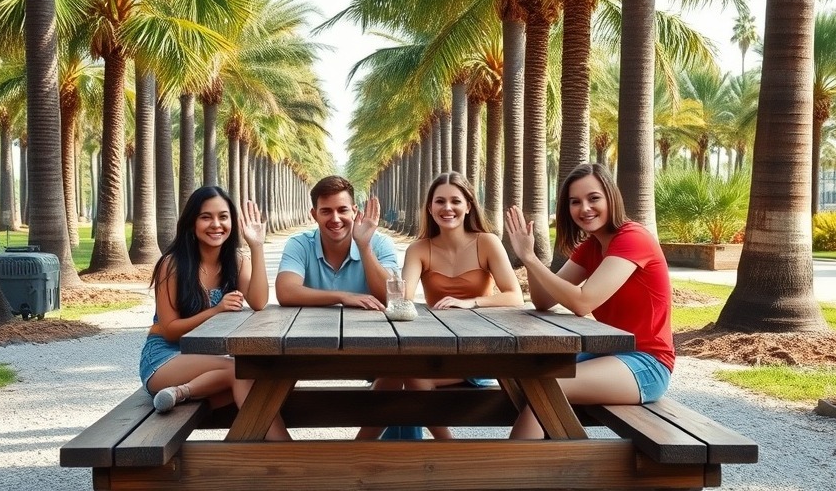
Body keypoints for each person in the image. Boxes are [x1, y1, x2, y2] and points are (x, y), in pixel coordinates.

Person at [503, 163, 674, 439]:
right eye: (575, 202)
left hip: (647, 364)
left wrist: (532, 260)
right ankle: (534, 470)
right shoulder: (592, 246)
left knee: (546, 386)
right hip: (609, 353)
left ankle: (511, 477)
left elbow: (584, 303)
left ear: (611, 197)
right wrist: (527, 256)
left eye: (594, 198)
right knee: (530, 373)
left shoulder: (633, 238)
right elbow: (543, 300)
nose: (585, 208)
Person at [356, 171, 523, 440]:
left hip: (480, 350)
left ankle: (442, 449)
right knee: (393, 375)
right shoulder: (419, 249)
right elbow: (402, 299)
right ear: (430, 209)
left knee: (403, 376)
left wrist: (471, 303)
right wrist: (365, 247)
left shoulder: (487, 242)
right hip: (437, 350)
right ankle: (367, 453)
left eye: (455, 201)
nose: (448, 208)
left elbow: (515, 296)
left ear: (468, 205)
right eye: (440, 201)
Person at [138, 186, 290, 441]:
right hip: (163, 360)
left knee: (257, 379)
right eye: (206, 217)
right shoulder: (172, 264)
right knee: (239, 372)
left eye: (223, 216)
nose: (216, 224)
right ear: (192, 222)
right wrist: (216, 310)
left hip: (205, 364)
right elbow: (170, 329)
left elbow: (259, 301)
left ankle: (181, 393)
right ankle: (288, 453)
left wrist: (257, 247)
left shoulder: (236, 261)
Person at [275, 175, 399, 309]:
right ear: (314, 214)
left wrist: (364, 246)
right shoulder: (299, 244)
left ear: (354, 211)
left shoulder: (381, 244)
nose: (335, 219)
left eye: (342, 210)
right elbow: (285, 292)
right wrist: (343, 297)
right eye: (326, 211)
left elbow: (393, 298)